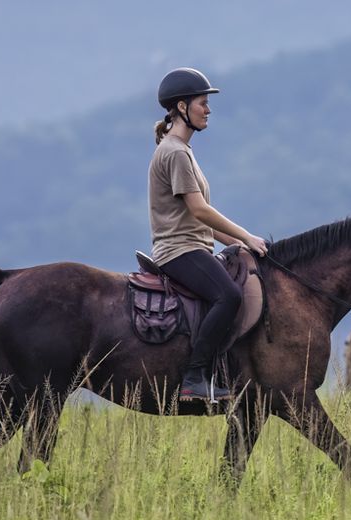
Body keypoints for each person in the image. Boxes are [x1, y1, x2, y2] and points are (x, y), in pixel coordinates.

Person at [149, 67, 269, 401]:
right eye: (203, 102)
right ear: (183, 107)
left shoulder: (182, 152)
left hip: (193, 243)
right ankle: (194, 378)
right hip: (179, 250)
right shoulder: (174, 152)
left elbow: (199, 219)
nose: (208, 109)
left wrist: (241, 245)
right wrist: (245, 234)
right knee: (228, 296)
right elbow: (200, 210)